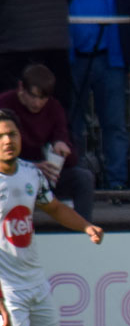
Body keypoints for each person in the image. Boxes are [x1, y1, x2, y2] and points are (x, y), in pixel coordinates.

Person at [0, 110, 103, 326]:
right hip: (6, 287)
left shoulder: (30, 173)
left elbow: (55, 208)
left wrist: (86, 226)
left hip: (34, 279)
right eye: (1, 136)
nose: (8, 141)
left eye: (12, 134)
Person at [61, 0, 130, 193]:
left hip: (109, 59)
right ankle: (75, 181)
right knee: (71, 122)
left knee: (114, 123)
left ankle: (117, 183)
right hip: (72, 60)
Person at [0, 65, 95, 221]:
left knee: (83, 178)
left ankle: (83, 228)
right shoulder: (4, 104)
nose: (37, 103)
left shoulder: (54, 108)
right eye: (33, 96)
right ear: (21, 88)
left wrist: (61, 147)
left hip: (44, 175)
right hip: (11, 173)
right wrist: (31, 167)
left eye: (43, 98)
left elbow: (69, 152)